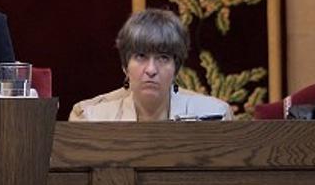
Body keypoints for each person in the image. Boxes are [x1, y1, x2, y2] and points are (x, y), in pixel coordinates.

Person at [70, 8, 232, 121]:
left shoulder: (215, 115)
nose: (151, 70)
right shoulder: (91, 117)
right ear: (125, 66)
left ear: (176, 68)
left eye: (163, 58)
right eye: (141, 56)